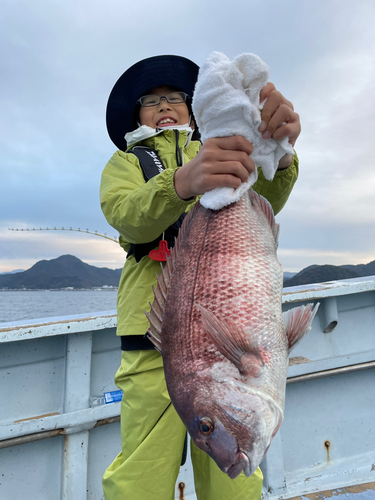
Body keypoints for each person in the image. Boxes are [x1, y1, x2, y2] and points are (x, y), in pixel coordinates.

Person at [100, 54, 300, 500]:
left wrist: (280, 154)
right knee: (142, 471)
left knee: (234, 478)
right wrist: (181, 183)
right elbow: (126, 216)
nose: (164, 105)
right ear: (136, 117)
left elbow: (266, 194)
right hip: (150, 344)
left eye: (174, 97)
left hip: (230, 327)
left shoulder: (218, 146)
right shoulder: (127, 163)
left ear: (192, 109)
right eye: (150, 102)